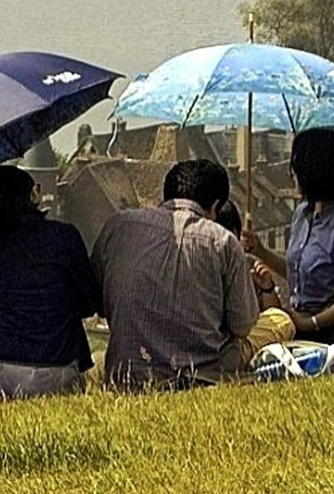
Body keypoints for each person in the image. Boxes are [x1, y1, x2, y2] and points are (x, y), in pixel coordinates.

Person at [96, 158, 259, 391]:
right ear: (214, 206)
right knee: (278, 321)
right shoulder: (222, 242)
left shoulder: (118, 226)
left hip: (128, 378)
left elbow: (98, 300)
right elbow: (242, 326)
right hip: (203, 378)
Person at [0, 164, 98, 399]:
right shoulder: (64, 236)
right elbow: (87, 304)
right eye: (32, 190)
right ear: (26, 197)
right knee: (59, 307)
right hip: (47, 373)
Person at [244, 127, 334, 342]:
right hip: (302, 323)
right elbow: (298, 272)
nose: (292, 174)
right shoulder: (302, 214)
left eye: (297, 167)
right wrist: (260, 251)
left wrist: (312, 323)